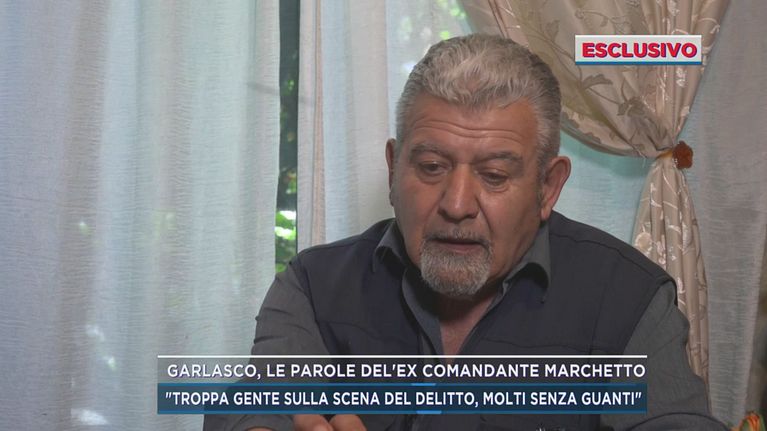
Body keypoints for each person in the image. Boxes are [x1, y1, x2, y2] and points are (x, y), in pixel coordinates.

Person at [204, 34, 725, 430]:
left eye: (494, 175)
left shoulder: (628, 298)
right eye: (431, 167)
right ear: (393, 170)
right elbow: (257, 405)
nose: (456, 205)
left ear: (547, 187)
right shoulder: (313, 286)